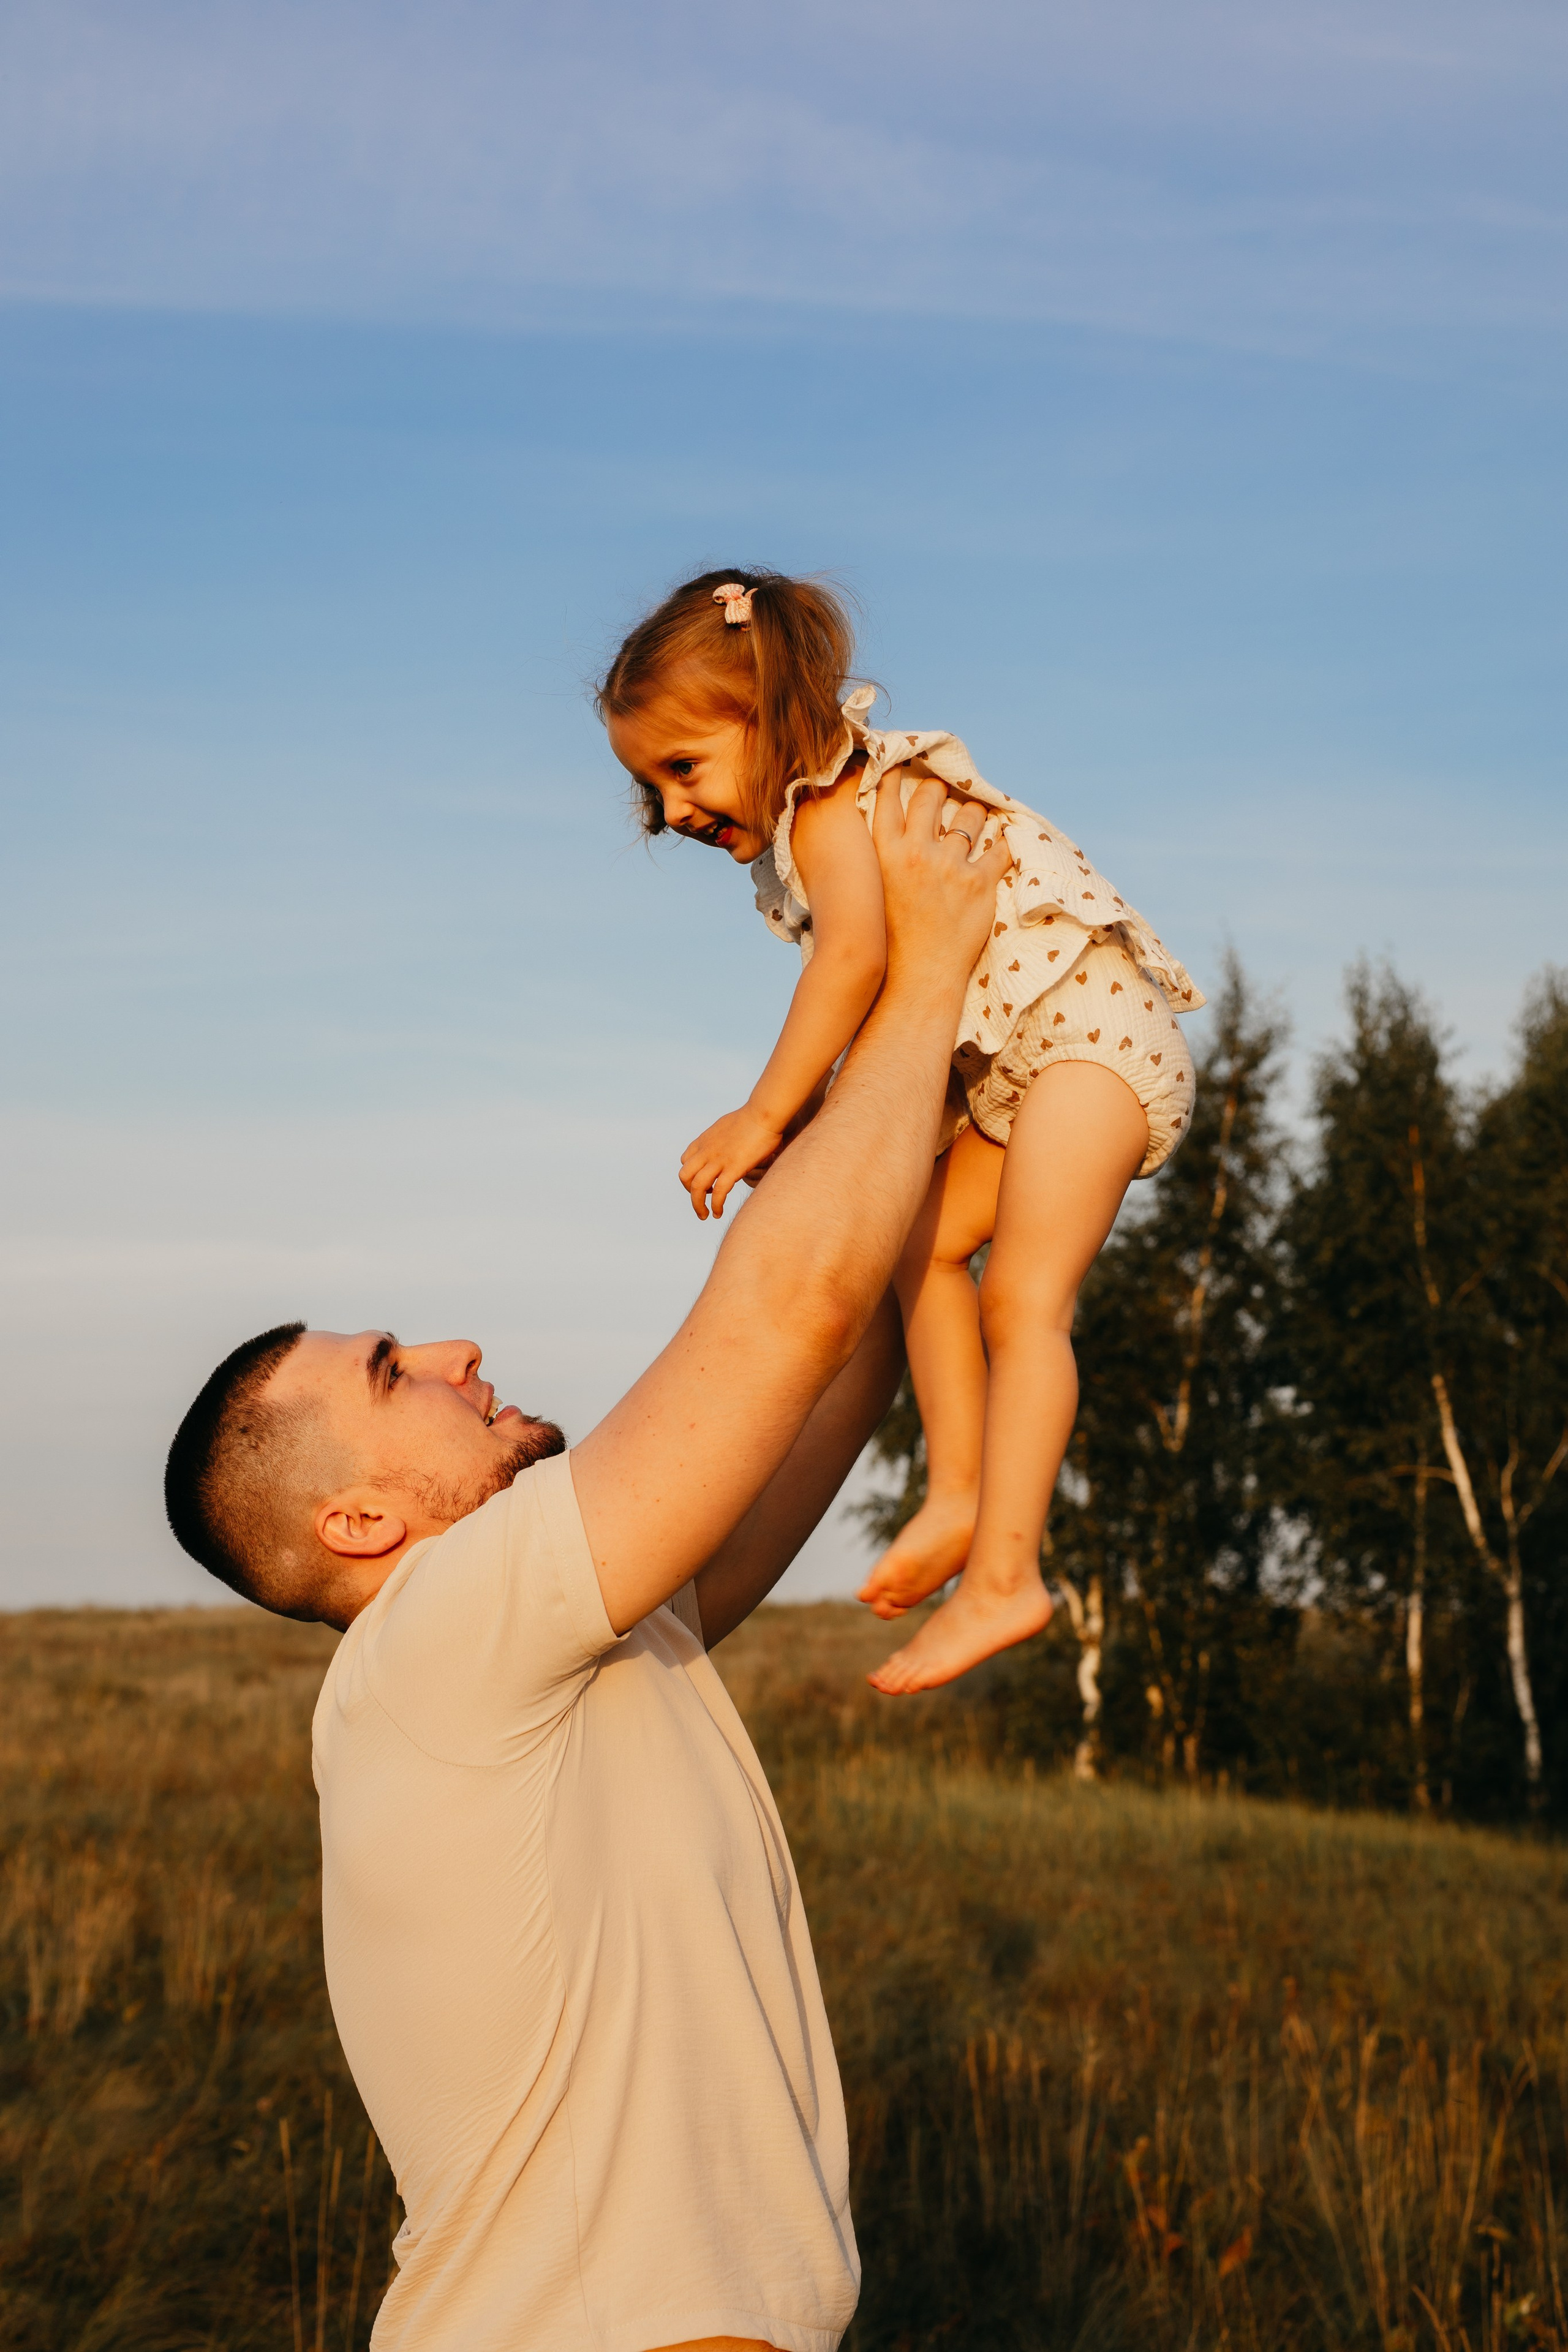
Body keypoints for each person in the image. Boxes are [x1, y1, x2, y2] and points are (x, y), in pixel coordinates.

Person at [164, 773, 1008, 2352]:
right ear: (362, 1526)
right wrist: (939, 954)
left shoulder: (575, 1642)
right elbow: (782, 1313)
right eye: (392, 1370)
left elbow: (833, 1369)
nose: (455, 1346)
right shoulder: (436, 1638)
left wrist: (914, 1084)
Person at [599, 568, 1205, 1697]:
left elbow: (858, 965)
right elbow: (892, 1004)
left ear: (775, 716)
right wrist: (827, 1126)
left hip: (1088, 1031)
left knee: (1026, 1298)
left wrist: (769, 1112)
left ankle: (1008, 1575)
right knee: (919, 1246)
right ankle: (961, 1491)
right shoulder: (829, 812)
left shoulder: (834, 800)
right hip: (1020, 1061)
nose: (673, 810)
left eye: (683, 768)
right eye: (651, 787)